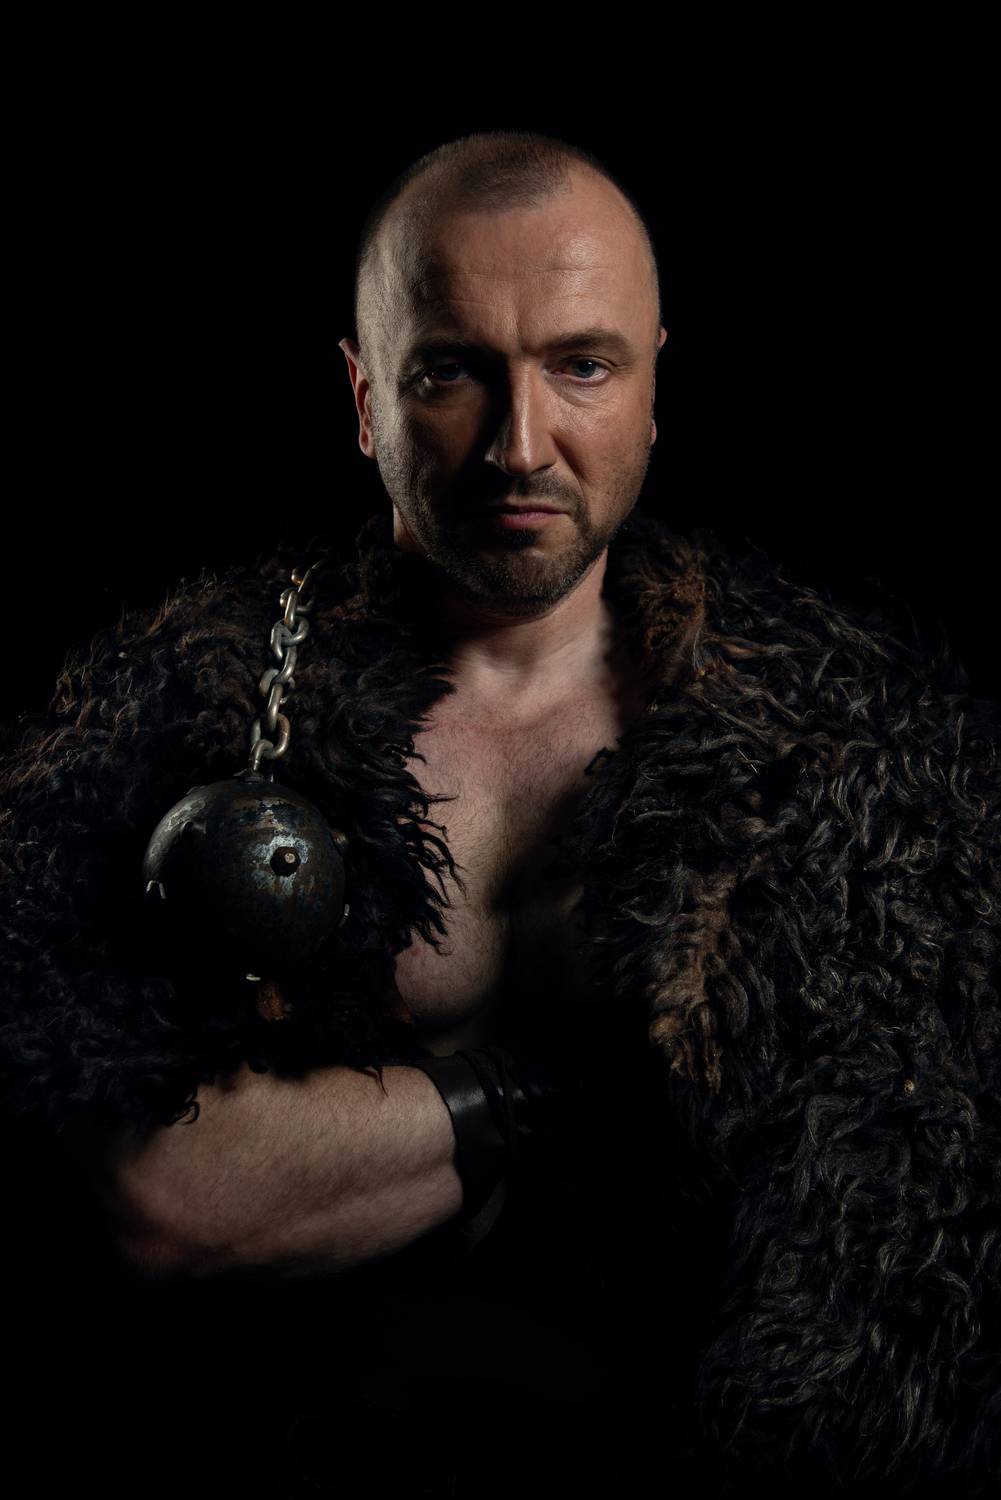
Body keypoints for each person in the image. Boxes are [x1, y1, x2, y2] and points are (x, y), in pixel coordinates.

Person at [1, 130, 999, 1499]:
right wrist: (584, 1098)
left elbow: (915, 1233)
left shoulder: (852, 753)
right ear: (365, 396)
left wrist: (371, 1134)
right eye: (452, 371)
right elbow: (158, 1200)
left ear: (653, 387)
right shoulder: (181, 714)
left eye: (581, 366)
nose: (520, 446)